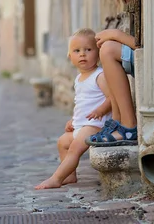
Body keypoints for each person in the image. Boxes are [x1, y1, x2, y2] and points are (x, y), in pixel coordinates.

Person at [35, 28, 112, 190]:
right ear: (70, 56)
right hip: (83, 125)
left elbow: (112, 97)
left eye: (88, 50)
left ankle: (57, 178)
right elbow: (82, 104)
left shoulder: (99, 76)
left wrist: (101, 110)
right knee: (63, 142)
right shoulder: (79, 78)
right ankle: (70, 175)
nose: (82, 54)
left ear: (98, 53)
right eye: (77, 51)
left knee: (75, 149)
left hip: (96, 125)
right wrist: (74, 120)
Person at [85, 0, 138, 147]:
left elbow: (149, 46)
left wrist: (115, 34)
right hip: (145, 59)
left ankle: (129, 127)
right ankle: (117, 122)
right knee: (107, 48)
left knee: (108, 49)